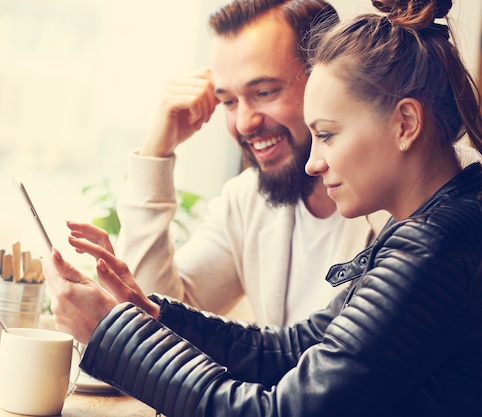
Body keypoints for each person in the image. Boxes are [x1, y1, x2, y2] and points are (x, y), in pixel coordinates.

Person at [44, 0, 482, 415]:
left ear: (405, 124)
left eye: (327, 135)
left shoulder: (433, 244)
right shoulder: (434, 221)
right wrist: (154, 314)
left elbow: (282, 411)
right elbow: (294, 349)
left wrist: (111, 333)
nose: (315, 161)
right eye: (229, 101)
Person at [110, 0, 389, 327]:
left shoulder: (406, 193)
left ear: (326, 79)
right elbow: (152, 321)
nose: (243, 123)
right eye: (228, 101)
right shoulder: (248, 200)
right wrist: (156, 153)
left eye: (265, 92)